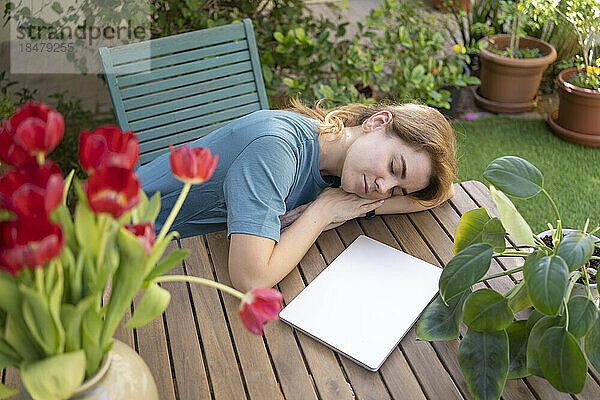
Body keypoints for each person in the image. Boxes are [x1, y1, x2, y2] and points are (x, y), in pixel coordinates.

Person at [137, 98, 456, 292]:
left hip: (184, 256)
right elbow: (250, 279)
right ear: (377, 122)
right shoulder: (277, 150)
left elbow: (441, 194)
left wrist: (346, 204)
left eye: (397, 189)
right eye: (393, 166)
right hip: (118, 248)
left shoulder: (338, 165)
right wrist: (321, 213)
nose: (383, 189)